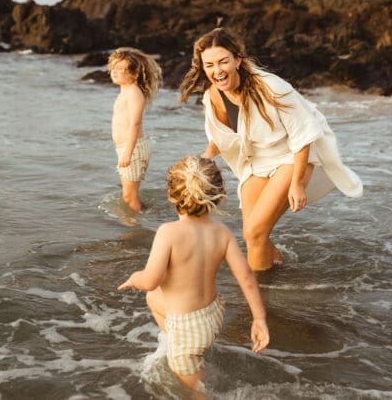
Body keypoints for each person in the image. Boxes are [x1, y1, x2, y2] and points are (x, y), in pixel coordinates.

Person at [178, 28, 363, 271]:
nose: (217, 70)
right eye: (209, 65)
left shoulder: (271, 87)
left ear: (237, 60)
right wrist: (202, 161)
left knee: (255, 233)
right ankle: (278, 276)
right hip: (258, 161)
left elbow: (303, 133)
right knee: (253, 234)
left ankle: (257, 290)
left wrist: (297, 183)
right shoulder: (214, 95)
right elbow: (221, 137)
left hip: (292, 155)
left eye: (223, 61)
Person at [118, 156, 269, 392]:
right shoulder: (222, 232)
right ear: (218, 196)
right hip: (214, 314)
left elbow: (150, 281)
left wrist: (135, 278)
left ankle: (185, 349)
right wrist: (259, 319)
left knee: (194, 393)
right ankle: (181, 342)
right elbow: (247, 278)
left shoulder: (168, 232)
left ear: (171, 195)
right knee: (154, 298)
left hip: (187, 327)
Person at [109, 47, 162, 213]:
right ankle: (145, 216)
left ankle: (135, 226)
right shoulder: (125, 91)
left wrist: (128, 153)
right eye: (113, 67)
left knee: (129, 197)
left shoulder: (133, 93)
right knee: (130, 195)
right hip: (126, 148)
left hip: (133, 149)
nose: (114, 71)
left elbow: (135, 124)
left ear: (134, 73)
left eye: (120, 68)